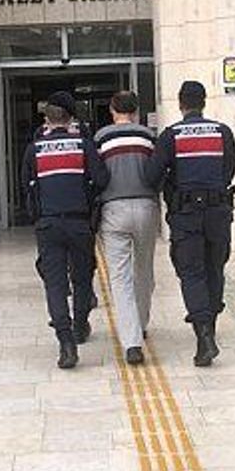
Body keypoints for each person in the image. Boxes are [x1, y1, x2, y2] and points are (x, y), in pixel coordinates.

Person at [145, 80, 235, 367]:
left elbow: (152, 176)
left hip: (186, 215)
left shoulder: (171, 136)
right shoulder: (222, 132)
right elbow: (229, 170)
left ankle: (204, 336)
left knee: (191, 272)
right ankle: (211, 326)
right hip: (218, 212)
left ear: (181, 103)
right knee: (215, 268)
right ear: (204, 102)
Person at [21, 91, 110, 369]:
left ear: (47, 119)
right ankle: (80, 325)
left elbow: (26, 187)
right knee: (82, 278)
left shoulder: (34, 149)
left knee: (55, 283)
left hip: (48, 224)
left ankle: (66, 343)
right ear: (71, 118)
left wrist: (38, 216)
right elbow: (102, 179)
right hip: (79, 222)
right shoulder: (84, 146)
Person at [94, 91, 159, 366]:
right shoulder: (148, 136)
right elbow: (157, 170)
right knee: (144, 270)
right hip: (146, 207)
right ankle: (141, 324)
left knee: (119, 278)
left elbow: (96, 175)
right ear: (136, 111)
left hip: (113, 210)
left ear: (112, 110)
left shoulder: (101, 138)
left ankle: (132, 342)